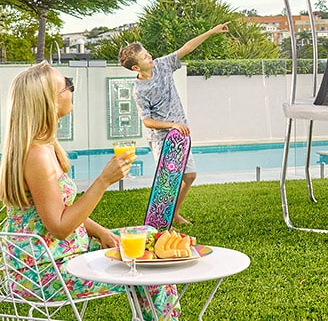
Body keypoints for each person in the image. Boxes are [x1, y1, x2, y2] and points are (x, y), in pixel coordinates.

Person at [0, 61, 179, 319]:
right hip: (44, 273)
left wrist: (101, 232)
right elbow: (60, 228)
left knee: (147, 236)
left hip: (61, 257)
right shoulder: (36, 155)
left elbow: (61, 211)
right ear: (48, 100)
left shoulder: (43, 147)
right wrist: (104, 180)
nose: (72, 90)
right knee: (148, 266)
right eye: (67, 86)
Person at [118, 23, 230, 225]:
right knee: (170, 181)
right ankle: (159, 220)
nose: (150, 57)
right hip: (161, 138)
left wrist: (211, 31)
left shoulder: (162, 65)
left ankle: (174, 214)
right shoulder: (140, 90)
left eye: (147, 53)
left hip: (180, 133)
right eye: (145, 57)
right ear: (136, 67)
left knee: (190, 175)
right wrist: (171, 124)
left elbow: (186, 48)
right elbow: (147, 121)